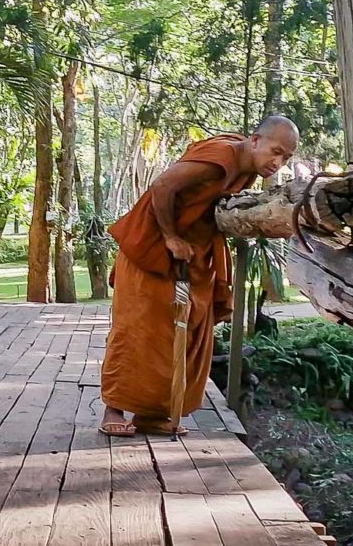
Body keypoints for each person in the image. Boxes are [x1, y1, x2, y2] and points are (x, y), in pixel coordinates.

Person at [99, 116, 299, 436]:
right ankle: (113, 409)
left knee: (190, 330)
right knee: (139, 332)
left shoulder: (247, 167)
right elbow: (163, 185)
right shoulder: (220, 160)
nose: (278, 162)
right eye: (275, 152)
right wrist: (170, 237)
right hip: (150, 251)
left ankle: (153, 415)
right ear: (255, 141)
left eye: (286, 158)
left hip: (192, 256)